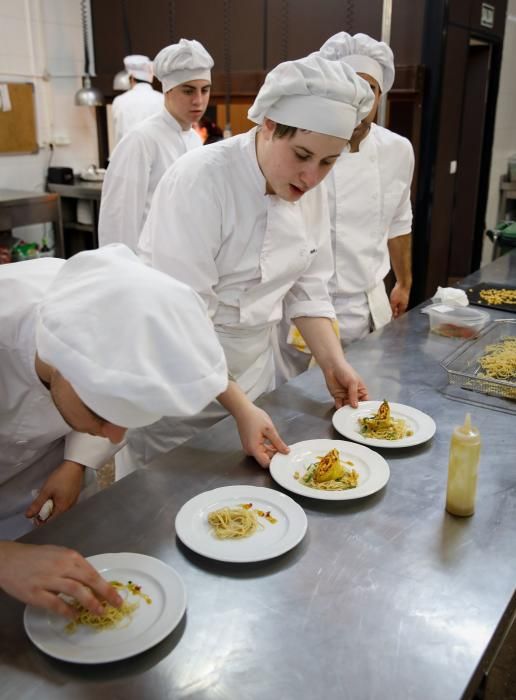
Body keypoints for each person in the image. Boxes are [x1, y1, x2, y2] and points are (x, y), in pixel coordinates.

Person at [117, 53, 374, 477]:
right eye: (302, 155)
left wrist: (333, 362)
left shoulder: (311, 189)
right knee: (167, 504)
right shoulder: (201, 181)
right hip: (177, 386)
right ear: (268, 125)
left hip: (253, 377)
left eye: (328, 163)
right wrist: (240, 408)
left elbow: (308, 286)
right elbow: (182, 322)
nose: (311, 177)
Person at [0, 244, 228, 614]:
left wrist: (75, 462)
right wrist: (5, 560)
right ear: (59, 364)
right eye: (100, 414)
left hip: (42, 475)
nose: (114, 437)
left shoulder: (100, 309)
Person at [276, 33, 415, 380]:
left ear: (381, 95)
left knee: (365, 401)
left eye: (369, 88)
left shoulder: (398, 150)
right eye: (348, 86)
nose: (358, 99)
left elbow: (399, 220)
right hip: (303, 310)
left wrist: (404, 282)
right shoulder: (304, 146)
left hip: (369, 308)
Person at [98, 39, 213, 251]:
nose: (198, 100)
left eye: (205, 90)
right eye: (188, 91)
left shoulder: (195, 140)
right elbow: (118, 221)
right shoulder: (141, 141)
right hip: (147, 266)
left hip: (184, 259)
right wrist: (123, 274)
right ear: (167, 90)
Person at [111, 55, 164, 145]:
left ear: (131, 78)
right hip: (157, 155)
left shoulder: (119, 101)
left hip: (127, 155)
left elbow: (118, 134)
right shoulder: (162, 99)